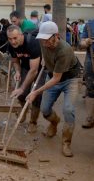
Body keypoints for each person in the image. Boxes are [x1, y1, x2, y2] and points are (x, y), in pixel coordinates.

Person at [27, 21, 80, 157]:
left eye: (47, 40)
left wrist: (35, 91)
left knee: (68, 110)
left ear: (56, 36)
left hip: (69, 79)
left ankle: (66, 142)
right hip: (52, 75)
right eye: (42, 40)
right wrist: (46, 60)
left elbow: (57, 79)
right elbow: (45, 54)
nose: (45, 44)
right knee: (45, 109)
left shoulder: (65, 50)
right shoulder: (44, 41)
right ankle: (54, 122)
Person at [7, 25, 46, 133]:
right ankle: (24, 110)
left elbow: (34, 70)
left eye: (15, 38)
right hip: (25, 66)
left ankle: (33, 122)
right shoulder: (11, 46)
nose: (13, 42)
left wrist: (22, 88)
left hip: (40, 68)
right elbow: (15, 61)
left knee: (36, 95)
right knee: (21, 94)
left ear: (21, 35)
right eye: (10, 39)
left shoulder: (32, 43)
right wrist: (18, 71)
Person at [80, 19, 94, 129]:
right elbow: (81, 43)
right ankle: (90, 118)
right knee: (90, 89)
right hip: (91, 59)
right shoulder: (89, 24)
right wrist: (87, 42)